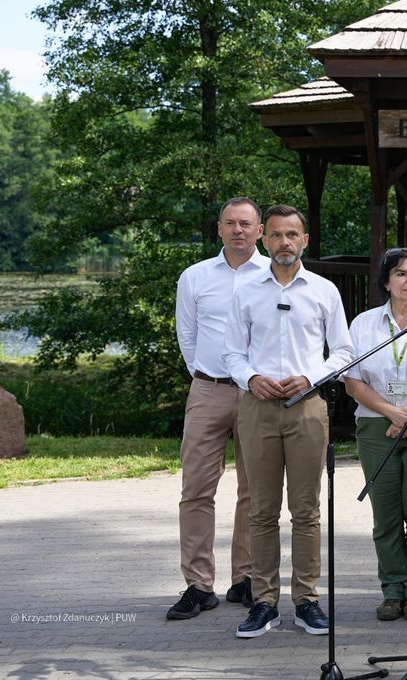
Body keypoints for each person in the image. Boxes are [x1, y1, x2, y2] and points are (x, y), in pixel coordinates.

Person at [222, 204, 354, 639]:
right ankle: (264, 602)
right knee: (261, 510)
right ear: (265, 239)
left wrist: (310, 376)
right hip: (257, 407)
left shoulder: (323, 291)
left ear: (305, 240)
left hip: (307, 407)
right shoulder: (245, 292)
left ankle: (307, 600)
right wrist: (252, 377)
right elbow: (230, 354)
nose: (283, 243)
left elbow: (343, 351)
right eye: (276, 235)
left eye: (291, 235)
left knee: (306, 511)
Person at [167, 197, 270, 621]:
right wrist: (207, 376)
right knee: (195, 490)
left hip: (258, 393)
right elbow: (186, 335)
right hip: (208, 388)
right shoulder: (194, 277)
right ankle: (198, 585)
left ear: (260, 230)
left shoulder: (274, 275)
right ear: (219, 229)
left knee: (255, 492)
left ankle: (244, 578)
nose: (238, 230)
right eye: (230, 223)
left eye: (246, 223)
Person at [343, 247, 407, 623]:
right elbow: (352, 381)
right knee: (385, 516)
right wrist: (391, 412)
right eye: (401, 274)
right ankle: (392, 590)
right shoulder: (364, 324)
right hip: (376, 426)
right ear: (386, 282)